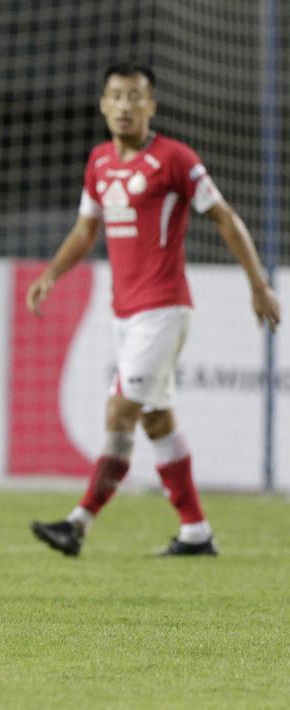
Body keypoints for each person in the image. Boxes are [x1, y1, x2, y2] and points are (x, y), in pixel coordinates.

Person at [27, 63, 280, 557]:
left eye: (135, 96)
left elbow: (224, 217)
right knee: (156, 420)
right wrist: (51, 275)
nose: (125, 106)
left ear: (152, 106)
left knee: (120, 409)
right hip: (125, 313)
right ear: (103, 104)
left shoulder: (175, 159)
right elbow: (85, 229)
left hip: (164, 309)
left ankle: (78, 524)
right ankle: (196, 532)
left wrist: (258, 285)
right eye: (117, 96)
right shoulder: (99, 161)